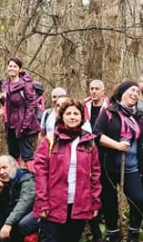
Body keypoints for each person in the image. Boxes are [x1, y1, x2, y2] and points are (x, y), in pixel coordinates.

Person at [93, 81, 143, 242]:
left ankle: (133, 232)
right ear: (121, 93)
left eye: (137, 91)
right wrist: (117, 145)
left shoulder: (139, 115)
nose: (135, 94)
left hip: (132, 166)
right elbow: (97, 134)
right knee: (110, 202)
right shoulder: (109, 113)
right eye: (131, 90)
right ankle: (114, 233)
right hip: (109, 167)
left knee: (138, 200)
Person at [32, 99, 102, 242]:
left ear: (82, 118)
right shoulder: (50, 141)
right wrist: (42, 201)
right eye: (68, 113)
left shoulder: (89, 143)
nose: (72, 117)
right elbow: (40, 174)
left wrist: (95, 202)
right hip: (53, 205)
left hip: (79, 205)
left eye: (76, 113)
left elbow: (95, 176)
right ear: (61, 117)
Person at [0, 155, 36, 242]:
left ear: (15, 166)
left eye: (4, 167)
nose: (1, 172)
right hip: (10, 216)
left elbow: (24, 204)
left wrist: (8, 223)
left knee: (18, 226)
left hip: (23, 217)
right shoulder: (7, 181)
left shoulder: (27, 179)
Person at [1, 57, 41, 168]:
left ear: (20, 69)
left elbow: (30, 104)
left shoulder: (26, 85)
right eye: (10, 66)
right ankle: (16, 179)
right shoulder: (5, 85)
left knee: (27, 155)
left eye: (15, 66)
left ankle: (33, 179)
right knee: (13, 155)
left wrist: (26, 123)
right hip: (10, 125)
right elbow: (8, 106)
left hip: (24, 126)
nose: (12, 69)